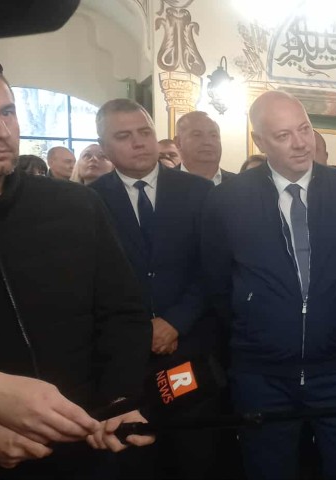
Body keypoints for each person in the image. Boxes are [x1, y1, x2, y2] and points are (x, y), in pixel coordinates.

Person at [0, 55, 152, 477]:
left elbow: (123, 313)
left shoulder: (75, 206)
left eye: (7, 112)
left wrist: (120, 399)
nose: (1, 131)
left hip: (84, 445)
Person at [201, 90, 336, 480]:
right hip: (261, 373)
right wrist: (256, 325)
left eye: (305, 129)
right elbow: (217, 283)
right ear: (259, 141)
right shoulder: (229, 199)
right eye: (284, 135)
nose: (301, 143)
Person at [89, 99, 218, 478]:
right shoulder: (88, 200)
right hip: (123, 361)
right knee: (136, 460)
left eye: (144, 132)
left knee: (197, 458)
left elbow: (213, 268)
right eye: (124, 136)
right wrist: (141, 330)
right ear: (105, 146)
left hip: (191, 349)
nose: (139, 142)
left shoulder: (199, 192)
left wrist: (175, 322)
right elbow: (89, 280)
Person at [175, 111, 235, 185]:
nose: (208, 142)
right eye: (197, 135)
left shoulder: (239, 185)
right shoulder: (164, 183)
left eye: (213, 135)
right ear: (178, 142)